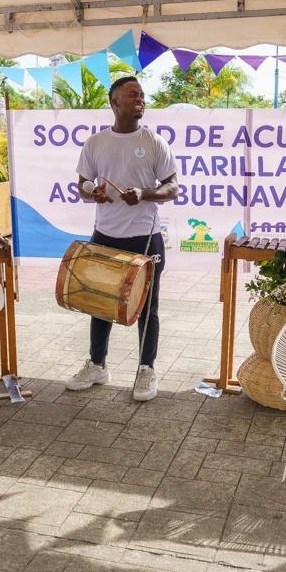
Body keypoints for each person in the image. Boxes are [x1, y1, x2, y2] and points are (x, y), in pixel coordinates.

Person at [67, 77, 179, 401]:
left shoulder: (155, 142)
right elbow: (83, 185)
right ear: (115, 102)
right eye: (133, 95)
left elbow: (173, 187)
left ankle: (146, 370)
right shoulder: (96, 142)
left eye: (142, 95)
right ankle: (97, 364)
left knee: (147, 307)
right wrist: (95, 193)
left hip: (145, 237)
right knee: (100, 302)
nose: (140, 99)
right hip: (106, 236)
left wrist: (145, 193)